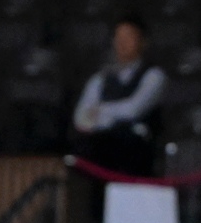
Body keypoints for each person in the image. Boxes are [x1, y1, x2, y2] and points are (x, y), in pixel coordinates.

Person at [71, 18, 165, 177]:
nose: (122, 43)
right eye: (118, 37)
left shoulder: (154, 76)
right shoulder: (100, 79)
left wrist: (100, 112)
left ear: (143, 42)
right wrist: (107, 120)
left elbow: (133, 110)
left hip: (138, 153)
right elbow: (81, 118)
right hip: (101, 152)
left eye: (129, 37)